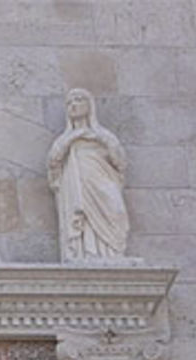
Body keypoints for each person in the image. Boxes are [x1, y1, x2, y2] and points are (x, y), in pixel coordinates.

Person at [47, 88, 129, 261]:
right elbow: (53, 161)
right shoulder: (65, 140)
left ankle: (112, 253)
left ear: (89, 105)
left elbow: (120, 162)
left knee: (115, 210)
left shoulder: (103, 136)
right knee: (83, 215)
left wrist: (100, 140)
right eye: (69, 102)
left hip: (101, 179)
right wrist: (72, 138)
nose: (73, 105)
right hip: (77, 185)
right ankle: (85, 252)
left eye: (78, 100)